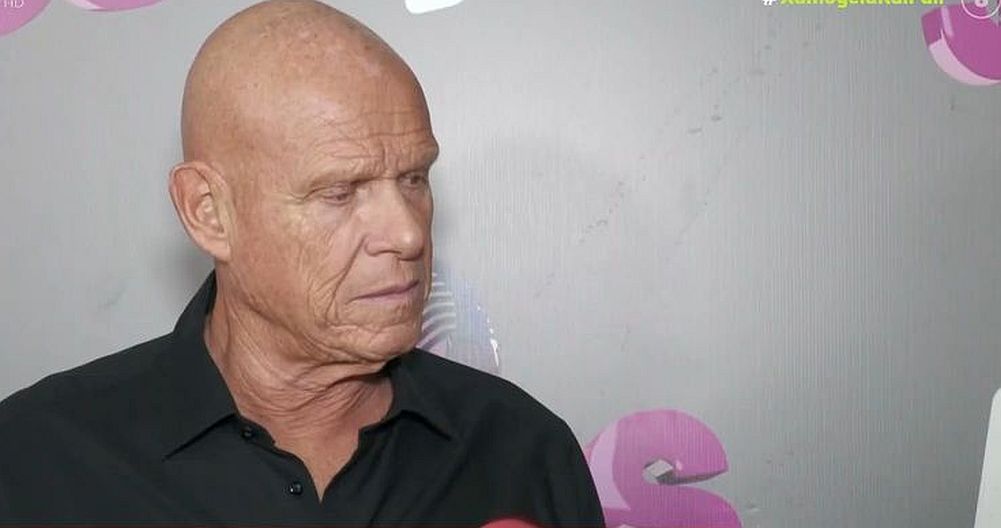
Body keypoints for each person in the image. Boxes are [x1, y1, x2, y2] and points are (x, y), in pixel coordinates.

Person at [0, 1, 605, 525]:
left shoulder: (522, 452)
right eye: (340, 192)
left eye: (414, 178)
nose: (407, 234)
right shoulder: (37, 462)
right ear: (209, 212)